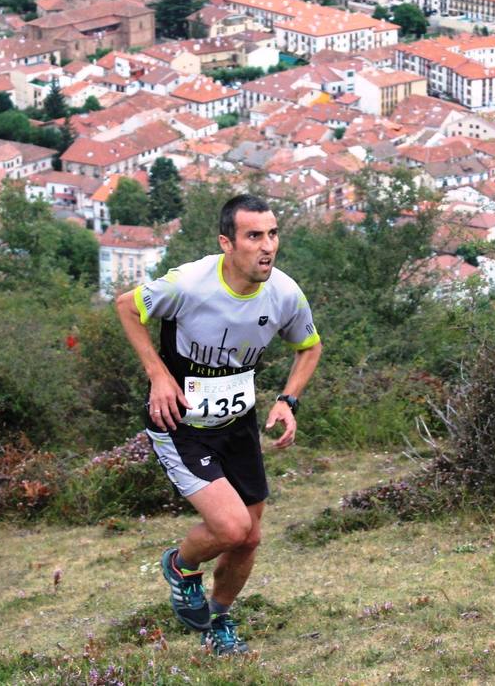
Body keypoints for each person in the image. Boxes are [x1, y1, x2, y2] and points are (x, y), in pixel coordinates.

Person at [116, 194, 321, 655]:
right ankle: (180, 565)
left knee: (249, 537)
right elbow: (127, 307)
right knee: (230, 529)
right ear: (227, 243)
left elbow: (309, 347)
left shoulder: (284, 292)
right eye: (254, 236)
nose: (266, 246)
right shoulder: (188, 284)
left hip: (238, 421)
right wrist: (158, 374)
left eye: (272, 234)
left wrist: (288, 400)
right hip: (181, 422)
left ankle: (219, 621)